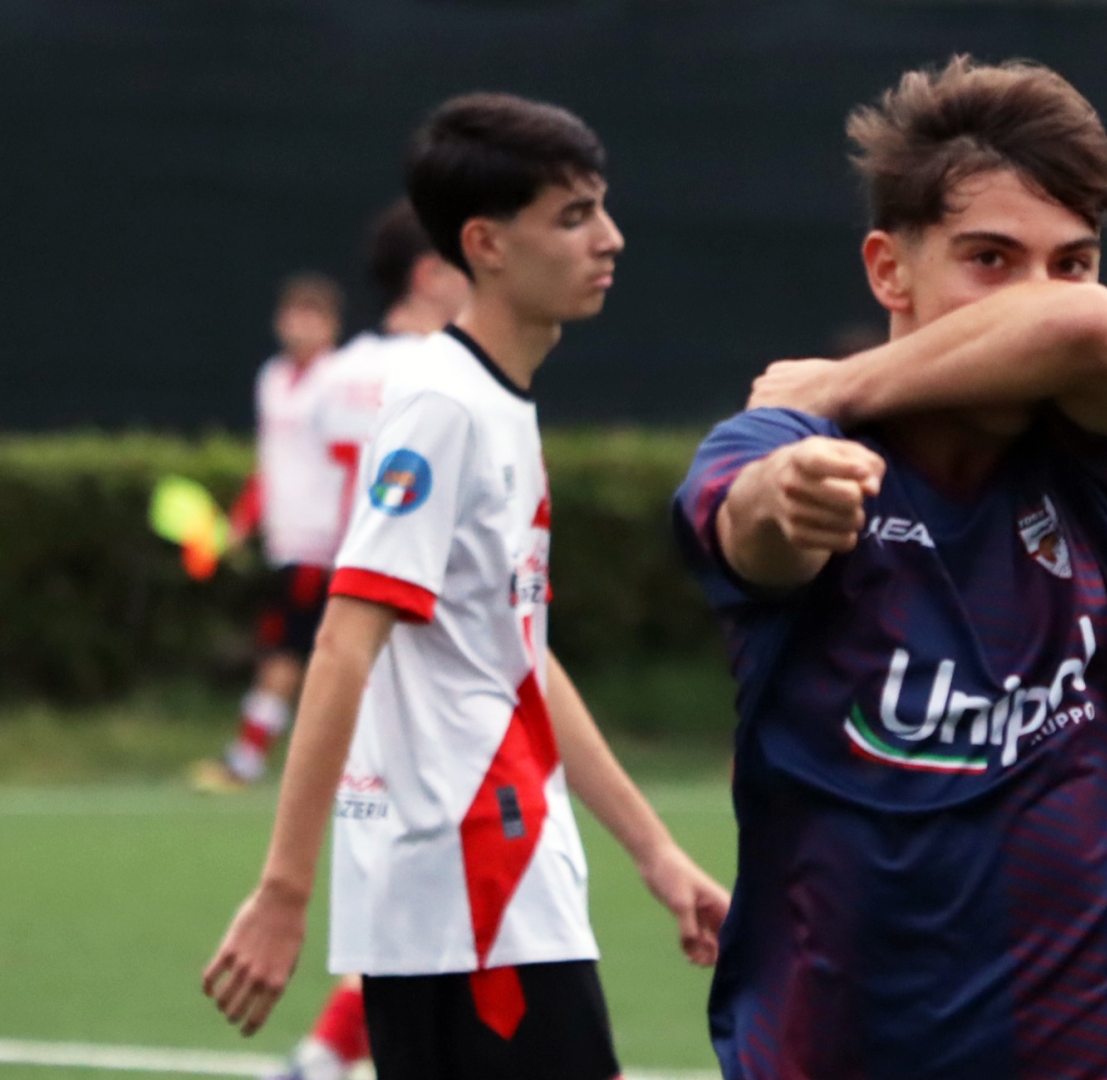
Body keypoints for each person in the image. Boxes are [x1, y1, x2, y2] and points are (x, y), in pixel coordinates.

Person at [674, 56, 1107, 1078]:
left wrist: (840, 383)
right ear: (888, 269)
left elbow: (1092, 328)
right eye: (991, 259)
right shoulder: (785, 443)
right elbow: (752, 526)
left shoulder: (1105, 456)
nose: (1034, 299)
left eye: (1072, 261)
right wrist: (788, 496)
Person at [203, 92, 730, 1080]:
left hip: (506, 876)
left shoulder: (497, 405)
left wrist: (657, 856)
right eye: (574, 216)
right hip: (469, 884)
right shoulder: (441, 408)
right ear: (485, 244)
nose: (610, 239)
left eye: (602, 208)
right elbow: (343, 642)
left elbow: (516, 658)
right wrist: (284, 889)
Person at [261, 200, 471, 1080]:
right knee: (449, 893)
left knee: (411, 888)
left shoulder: (335, 377)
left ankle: (326, 1052)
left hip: (357, 629)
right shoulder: (454, 373)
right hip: (433, 644)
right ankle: (330, 1052)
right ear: (431, 272)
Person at [191, 274, 345, 792]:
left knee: (293, 654)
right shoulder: (272, 379)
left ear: (332, 326)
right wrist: (238, 524)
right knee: (295, 653)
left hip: (329, 545)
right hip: (288, 544)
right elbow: (270, 466)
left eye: (313, 315)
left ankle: (248, 760)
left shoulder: (342, 381)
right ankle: (254, 759)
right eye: (294, 314)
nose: (301, 325)